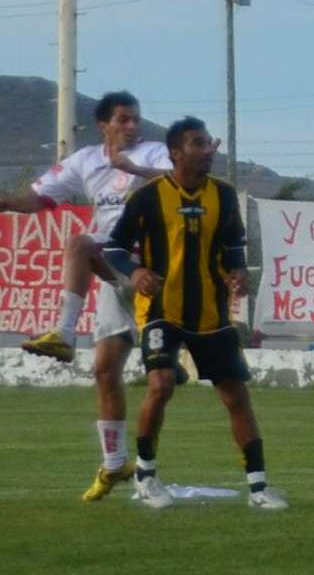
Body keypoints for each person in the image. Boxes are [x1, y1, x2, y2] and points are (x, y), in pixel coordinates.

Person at [0, 91, 173, 501]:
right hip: (114, 270)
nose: (131, 126)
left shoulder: (154, 152)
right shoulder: (85, 160)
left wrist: (135, 168)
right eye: (122, 120)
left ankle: (65, 334)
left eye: (135, 119)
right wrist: (10, 203)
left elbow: (178, 182)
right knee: (105, 371)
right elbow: (43, 197)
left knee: (163, 379)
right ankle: (113, 464)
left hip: (150, 270)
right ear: (103, 124)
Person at [106, 117, 286, 511]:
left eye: (208, 143)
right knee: (161, 384)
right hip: (161, 310)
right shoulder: (148, 197)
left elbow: (233, 245)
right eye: (198, 143)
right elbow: (113, 247)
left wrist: (236, 272)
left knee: (236, 396)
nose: (208, 150)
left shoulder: (222, 197)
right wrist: (135, 271)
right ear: (175, 152)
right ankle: (146, 476)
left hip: (211, 314)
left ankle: (258, 488)